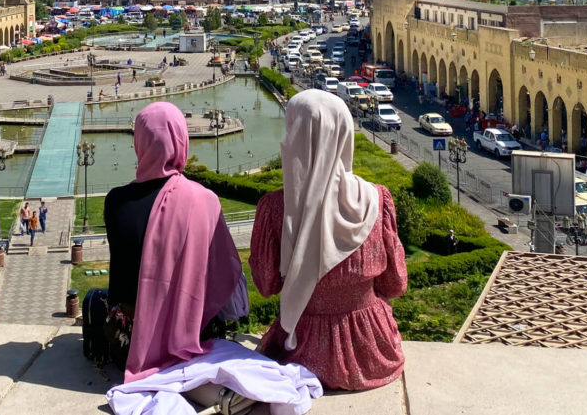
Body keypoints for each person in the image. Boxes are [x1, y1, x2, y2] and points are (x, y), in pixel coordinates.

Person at [249, 90, 406, 391]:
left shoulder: (275, 209)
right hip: (373, 350)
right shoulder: (377, 200)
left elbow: (266, 284)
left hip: (298, 352)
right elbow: (395, 284)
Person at [104, 102, 243, 382]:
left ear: (139, 143)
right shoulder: (204, 201)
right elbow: (227, 279)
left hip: (129, 344)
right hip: (197, 340)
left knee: (93, 300)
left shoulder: (115, 201)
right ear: (181, 140)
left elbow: (121, 281)